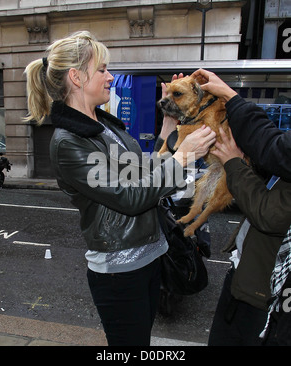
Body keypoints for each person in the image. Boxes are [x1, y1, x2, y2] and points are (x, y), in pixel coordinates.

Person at [23, 31, 216, 346]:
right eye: (102, 70)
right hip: (120, 272)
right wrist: (183, 156)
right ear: (76, 76)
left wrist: (170, 122)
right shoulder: (69, 142)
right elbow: (130, 197)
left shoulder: (104, 126)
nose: (110, 77)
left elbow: (145, 172)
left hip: (152, 256)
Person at [192, 69, 291, 346]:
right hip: (252, 278)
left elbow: (269, 214)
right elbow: (275, 153)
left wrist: (234, 162)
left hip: (264, 291)